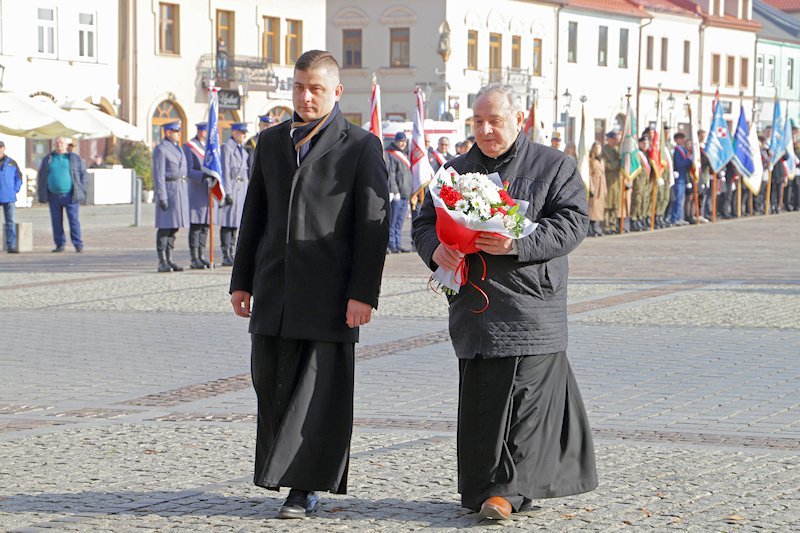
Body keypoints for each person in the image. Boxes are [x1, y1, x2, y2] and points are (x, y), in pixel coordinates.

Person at [412, 83, 597, 521]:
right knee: (483, 403)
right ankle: (486, 488)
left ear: (519, 119)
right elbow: (423, 223)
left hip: (533, 307)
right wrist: (435, 250)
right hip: (476, 307)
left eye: (495, 120)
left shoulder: (555, 166)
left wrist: (517, 242)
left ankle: (506, 493)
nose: (486, 129)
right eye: (478, 121)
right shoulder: (454, 171)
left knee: (526, 403)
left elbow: (573, 225)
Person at [229, 49, 389, 520]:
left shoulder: (360, 145)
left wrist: (364, 294)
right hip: (274, 291)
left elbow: (373, 226)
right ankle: (282, 475)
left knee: (316, 395)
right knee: (271, 384)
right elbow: (253, 213)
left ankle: (304, 487)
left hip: (330, 296)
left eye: (316, 88)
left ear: (336, 91)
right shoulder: (271, 141)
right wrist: (242, 280)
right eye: (299, 86)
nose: (305, 96)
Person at [37, 136, 88, 253]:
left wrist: (82, 188)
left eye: (61, 143)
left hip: (70, 195)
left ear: (66, 145)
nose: (59, 144)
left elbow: (83, 174)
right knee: (56, 222)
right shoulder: (48, 158)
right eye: (57, 143)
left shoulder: (74, 158)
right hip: (53, 195)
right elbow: (41, 176)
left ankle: (78, 244)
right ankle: (60, 244)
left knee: (74, 220)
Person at [152, 121, 190, 272]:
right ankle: (162, 260)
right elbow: (158, 174)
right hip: (169, 190)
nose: (179, 133)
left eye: (179, 131)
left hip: (179, 190)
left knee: (174, 227)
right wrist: (162, 196)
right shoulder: (161, 149)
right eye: (176, 131)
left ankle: (170, 258)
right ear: (167, 132)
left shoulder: (178, 148)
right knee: (164, 227)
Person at [218, 122, 249, 266]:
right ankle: (226, 253)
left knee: (236, 223)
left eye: (245, 133)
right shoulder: (227, 148)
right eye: (242, 133)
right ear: (235, 133)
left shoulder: (242, 150)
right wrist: (227, 192)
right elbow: (224, 171)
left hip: (241, 188)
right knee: (228, 223)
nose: (244, 136)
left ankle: (232, 250)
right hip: (231, 187)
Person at [183, 121, 212, 269]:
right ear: (201, 132)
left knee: (205, 226)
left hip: (207, 191)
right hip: (196, 189)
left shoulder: (209, 148)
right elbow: (188, 170)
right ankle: (194, 257)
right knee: (196, 225)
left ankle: (202, 255)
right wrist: (203, 176)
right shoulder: (190, 147)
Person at [384, 131, 412, 253]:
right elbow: (392, 174)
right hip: (397, 193)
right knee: (393, 220)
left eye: (404, 141)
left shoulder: (404, 154)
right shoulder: (392, 154)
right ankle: (392, 244)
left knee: (400, 221)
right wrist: (394, 190)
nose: (402, 143)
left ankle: (398, 243)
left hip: (405, 193)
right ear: (395, 142)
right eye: (400, 141)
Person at [0, 140, 22, 253]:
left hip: (9, 196)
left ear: (3, 148)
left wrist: (15, 190)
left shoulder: (12, 163)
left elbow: (19, 177)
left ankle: (11, 245)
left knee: (10, 222)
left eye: (0, 147)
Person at [602, 131, 621, 233]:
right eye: (612, 139)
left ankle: (613, 225)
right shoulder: (604, 150)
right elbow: (606, 165)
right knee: (607, 204)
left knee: (615, 204)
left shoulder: (618, 150)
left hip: (617, 181)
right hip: (608, 180)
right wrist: (617, 163)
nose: (614, 141)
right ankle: (606, 225)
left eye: (615, 139)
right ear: (608, 139)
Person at [670, 132, 691, 225]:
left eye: (683, 138)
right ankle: (675, 218)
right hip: (678, 177)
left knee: (681, 199)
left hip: (684, 177)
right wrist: (689, 160)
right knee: (677, 199)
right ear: (676, 140)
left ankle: (679, 216)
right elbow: (679, 163)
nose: (682, 140)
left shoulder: (684, 150)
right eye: (680, 139)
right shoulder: (676, 150)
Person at [588, 141, 607, 237]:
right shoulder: (590, 160)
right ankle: (591, 228)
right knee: (592, 208)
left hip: (601, 186)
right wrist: (591, 188)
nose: (598, 150)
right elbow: (589, 176)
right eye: (596, 148)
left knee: (599, 208)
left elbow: (603, 176)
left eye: (599, 148)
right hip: (594, 186)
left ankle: (597, 227)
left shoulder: (602, 160)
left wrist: (605, 189)